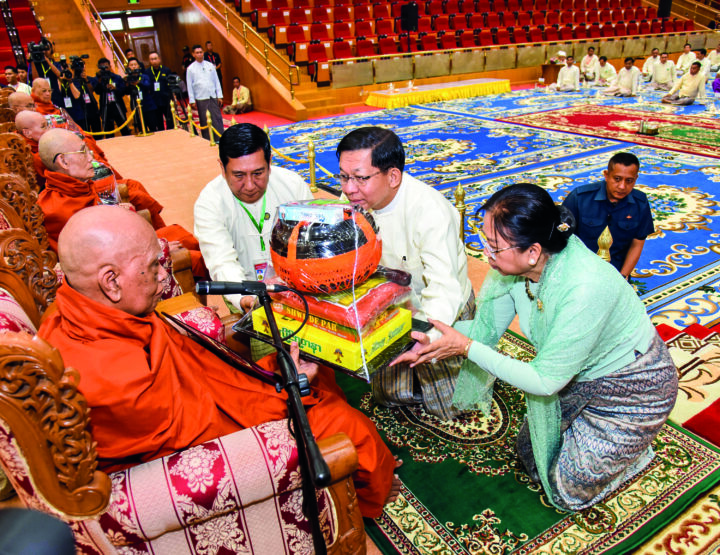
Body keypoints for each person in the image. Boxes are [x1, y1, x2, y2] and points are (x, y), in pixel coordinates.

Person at [38, 205, 400, 518]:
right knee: (347, 426)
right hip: (217, 448)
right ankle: (365, 502)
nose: (164, 275)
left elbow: (195, 371)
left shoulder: (83, 311)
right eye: (152, 266)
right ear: (111, 282)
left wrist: (273, 374)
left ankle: (357, 471)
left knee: (313, 376)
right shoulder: (109, 378)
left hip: (211, 398)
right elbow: (203, 435)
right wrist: (284, 395)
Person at [403, 183, 677, 511]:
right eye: (484, 241)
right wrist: (429, 334)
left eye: (493, 246)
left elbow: (544, 381)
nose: (485, 253)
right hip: (575, 377)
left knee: (566, 491)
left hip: (632, 391)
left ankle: (637, 453)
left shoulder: (585, 287)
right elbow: (482, 331)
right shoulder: (512, 269)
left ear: (532, 251)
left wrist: (466, 348)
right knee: (531, 457)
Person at [337, 127, 474, 420]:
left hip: (439, 309)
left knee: (452, 407)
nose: (348, 189)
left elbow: (444, 289)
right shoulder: (355, 200)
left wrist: (425, 339)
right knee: (389, 396)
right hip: (391, 304)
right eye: (344, 177)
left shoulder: (430, 211)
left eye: (360, 178)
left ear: (393, 176)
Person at [35, 127, 207, 281]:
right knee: (194, 257)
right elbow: (99, 259)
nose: (91, 157)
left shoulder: (75, 187)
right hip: (116, 272)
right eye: (83, 152)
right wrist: (159, 249)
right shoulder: (56, 209)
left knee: (180, 235)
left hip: (125, 248)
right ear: (63, 162)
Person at [194, 123, 312, 311]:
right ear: (222, 168)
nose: (249, 186)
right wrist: (245, 298)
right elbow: (221, 262)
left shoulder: (292, 185)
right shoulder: (210, 202)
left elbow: (311, 244)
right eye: (239, 175)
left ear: (270, 163)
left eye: (258, 173)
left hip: (295, 288)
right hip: (241, 292)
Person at [562, 152, 654, 278]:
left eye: (629, 181)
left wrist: (622, 277)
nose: (622, 186)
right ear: (606, 175)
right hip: (579, 267)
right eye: (617, 179)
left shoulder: (640, 203)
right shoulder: (579, 198)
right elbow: (561, 238)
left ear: (636, 179)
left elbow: (637, 244)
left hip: (615, 270)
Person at [186, 44, 224, 141]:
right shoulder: (190, 69)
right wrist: (192, 100)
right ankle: (208, 139)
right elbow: (189, 86)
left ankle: (220, 138)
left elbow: (216, 81)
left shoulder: (210, 65)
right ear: (193, 54)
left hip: (212, 95)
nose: (199, 54)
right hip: (201, 97)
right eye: (197, 53)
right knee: (205, 120)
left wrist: (219, 95)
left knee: (217, 118)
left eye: (201, 52)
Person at [90, 58, 130, 138]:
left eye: (106, 67)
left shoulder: (117, 77)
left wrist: (115, 89)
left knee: (124, 129)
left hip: (118, 106)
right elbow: (97, 91)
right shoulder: (98, 78)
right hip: (105, 107)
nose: (105, 69)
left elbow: (123, 92)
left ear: (110, 66)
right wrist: (100, 80)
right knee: (108, 132)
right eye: (102, 67)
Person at [125, 57, 156, 133]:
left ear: (139, 66)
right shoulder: (127, 79)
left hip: (148, 106)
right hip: (136, 106)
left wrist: (139, 82)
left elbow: (148, 85)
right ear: (128, 67)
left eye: (135, 64)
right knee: (141, 129)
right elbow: (126, 92)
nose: (133, 66)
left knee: (153, 128)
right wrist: (127, 84)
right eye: (131, 65)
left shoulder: (144, 76)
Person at [144, 51, 174, 131]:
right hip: (154, 101)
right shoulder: (147, 72)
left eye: (155, 59)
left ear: (159, 59)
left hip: (166, 100)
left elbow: (171, 85)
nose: (154, 61)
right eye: (152, 59)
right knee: (158, 123)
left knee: (170, 121)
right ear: (149, 61)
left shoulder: (166, 70)